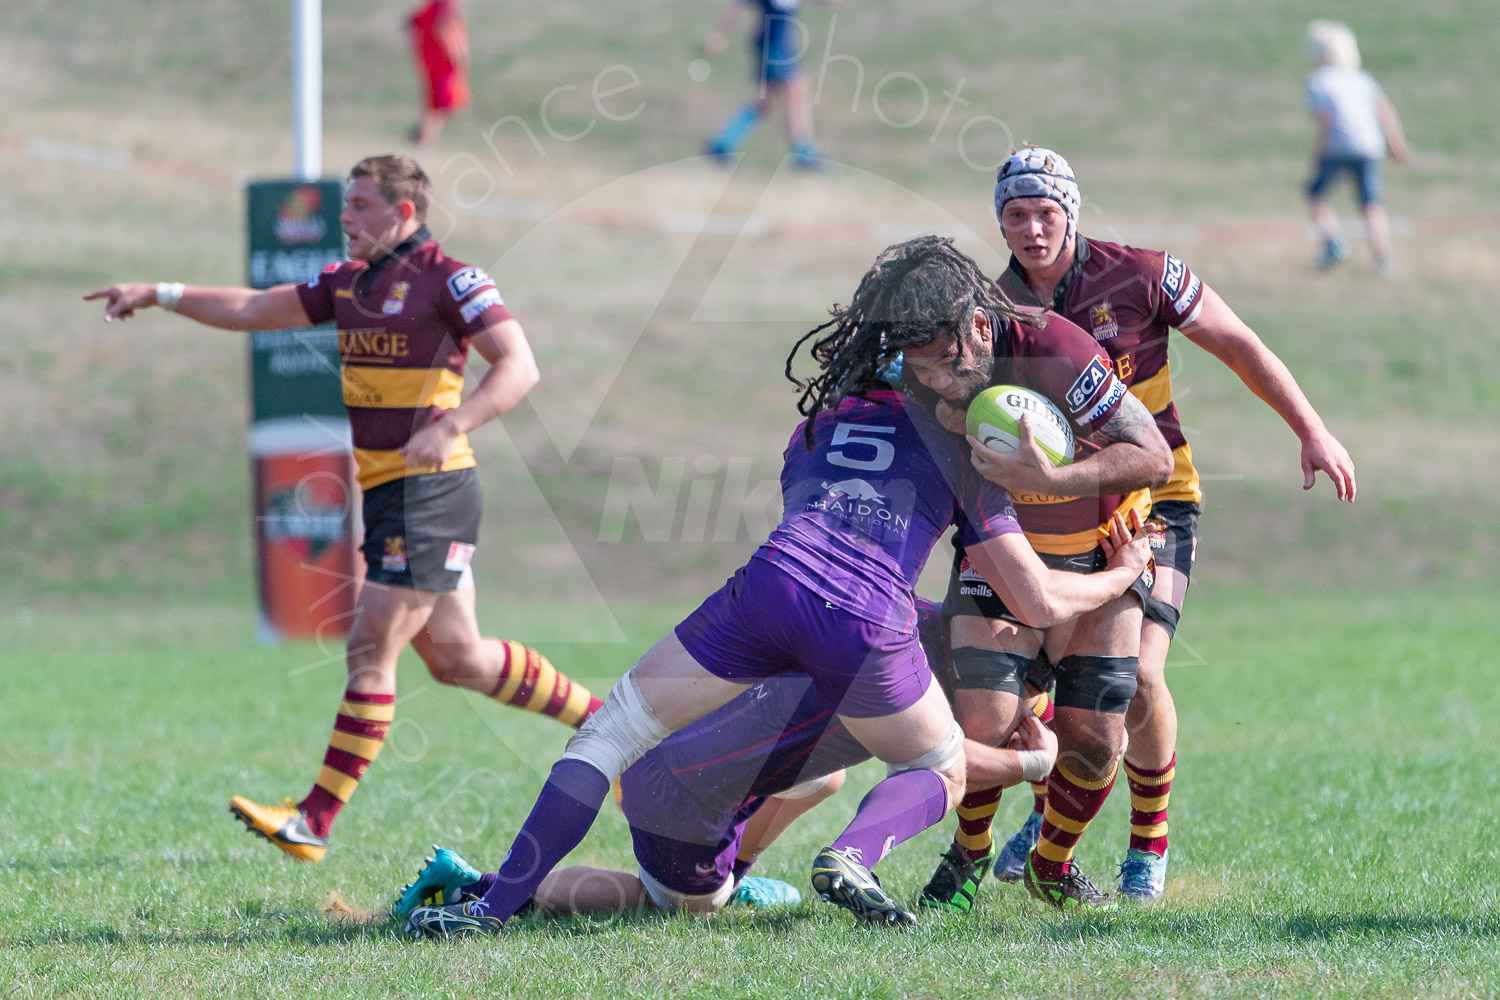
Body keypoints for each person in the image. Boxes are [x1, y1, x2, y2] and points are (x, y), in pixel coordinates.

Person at [402, 235, 1154, 937]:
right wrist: (1120, 574)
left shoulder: (818, 425)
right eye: (930, 366)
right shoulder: (968, 456)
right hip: (862, 620)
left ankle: (490, 904)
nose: (940, 379)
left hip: (767, 587)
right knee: (934, 765)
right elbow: (1036, 604)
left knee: (610, 734)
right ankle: (851, 856)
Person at [84, 154, 603, 863]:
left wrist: (455, 423)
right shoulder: (348, 283)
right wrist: (160, 291)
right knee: (459, 658)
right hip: (391, 493)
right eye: (345, 204)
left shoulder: (452, 279)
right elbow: (253, 309)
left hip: (433, 491)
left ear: (404, 214)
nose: (345, 217)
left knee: (370, 648)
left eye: (360, 205)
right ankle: (608, 727)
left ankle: (314, 821)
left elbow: (518, 364)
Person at [978, 145, 1356, 901]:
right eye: (1015, 214)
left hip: (1157, 502)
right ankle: (1057, 813)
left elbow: (1238, 342)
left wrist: (1310, 428)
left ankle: (1146, 845)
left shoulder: (1142, 275)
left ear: (1071, 212)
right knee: (1034, 690)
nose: (1031, 228)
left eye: (1045, 211)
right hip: (1053, 516)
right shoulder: (990, 307)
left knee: (1140, 675)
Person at [391, 602, 1059, 925]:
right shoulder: (925, 685)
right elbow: (950, 760)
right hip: (680, 799)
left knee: (823, 776)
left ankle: (735, 872)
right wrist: (1032, 762)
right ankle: (475, 887)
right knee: (679, 907)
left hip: (670, 744)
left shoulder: (898, 613)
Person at [863, 236, 1172, 912]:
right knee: (983, 728)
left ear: (980, 325)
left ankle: (1051, 864)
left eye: (949, 364)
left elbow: (1153, 457)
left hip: (1100, 542)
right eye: (926, 369)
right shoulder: (914, 365)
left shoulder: (1056, 350)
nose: (941, 379)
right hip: (1001, 550)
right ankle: (971, 851)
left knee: (1094, 741)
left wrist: (1056, 477)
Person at [1304, 19, 1410, 275]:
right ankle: (1382, 258)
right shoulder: (1361, 78)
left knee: (1315, 194)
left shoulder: (1319, 80)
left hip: (1338, 145)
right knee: (1371, 203)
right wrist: (1396, 143)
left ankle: (1332, 243)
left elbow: (1327, 120)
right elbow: (1383, 109)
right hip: (1370, 145)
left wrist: (1320, 151)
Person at [702, 0, 835, 170]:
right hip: (772, 45)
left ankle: (721, 145)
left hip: (781, 46)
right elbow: (738, 5)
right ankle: (804, 153)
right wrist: (720, 34)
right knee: (797, 89)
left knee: (766, 101)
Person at [409, 0, 471, 147]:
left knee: (438, 107)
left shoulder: (431, 6)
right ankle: (423, 138)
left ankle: (422, 135)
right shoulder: (446, 5)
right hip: (443, 63)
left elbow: (411, 24)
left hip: (430, 61)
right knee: (443, 105)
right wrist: (460, 55)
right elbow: (449, 26)